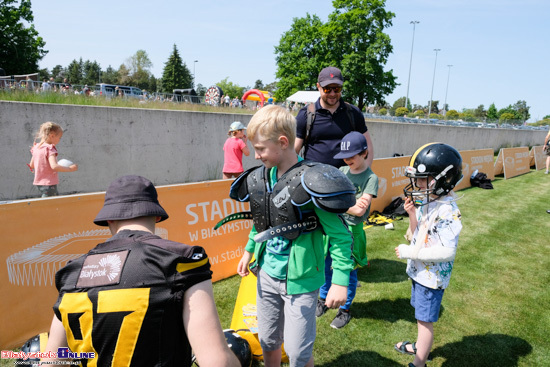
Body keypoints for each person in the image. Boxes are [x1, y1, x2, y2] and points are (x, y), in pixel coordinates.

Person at [42, 175, 240, 367]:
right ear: (157, 215)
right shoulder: (180, 261)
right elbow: (216, 361)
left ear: (109, 220)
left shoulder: (71, 273)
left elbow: (52, 362)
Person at [233, 105, 355, 367]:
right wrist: (249, 250)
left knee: (298, 353)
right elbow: (261, 221)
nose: (255, 156)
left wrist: (341, 281)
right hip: (265, 274)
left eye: (261, 149)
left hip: (301, 282)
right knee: (267, 340)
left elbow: (341, 236)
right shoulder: (263, 177)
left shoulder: (313, 181)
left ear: (283, 142)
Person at [393, 143, 463, 367]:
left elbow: (446, 251)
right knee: (420, 317)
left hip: (431, 278)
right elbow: (416, 235)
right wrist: (412, 214)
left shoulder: (448, 210)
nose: (417, 184)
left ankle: (419, 362)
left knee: (425, 322)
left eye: (424, 179)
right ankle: (420, 347)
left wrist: (410, 253)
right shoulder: (430, 201)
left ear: (444, 179)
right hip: (420, 273)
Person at [316, 132, 378, 329]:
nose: (347, 159)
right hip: (333, 227)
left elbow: (360, 210)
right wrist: (346, 204)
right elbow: (327, 198)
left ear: (365, 153)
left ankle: (345, 309)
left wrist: (337, 203)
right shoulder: (341, 170)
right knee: (325, 264)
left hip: (352, 230)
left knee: (349, 272)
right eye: (345, 155)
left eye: (352, 155)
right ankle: (323, 299)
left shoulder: (371, 178)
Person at [294, 66, 374, 169]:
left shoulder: (353, 113)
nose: (332, 94)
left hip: (346, 181)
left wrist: (363, 176)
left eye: (336, 89)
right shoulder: (306, 114)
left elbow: (368, 148)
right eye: (327, 89)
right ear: (318, 86)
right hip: (313, 180)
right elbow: (294, 151)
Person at [29, 122, 78, 197]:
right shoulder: (50, 148)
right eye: (59, 137)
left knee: (51, 200)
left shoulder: (36, 147)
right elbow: (54, 166)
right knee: (50, 204)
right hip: (49, 183)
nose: (59, 140)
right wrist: (70, 168)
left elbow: (32, 165)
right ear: (52, 136)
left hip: (39, 183)